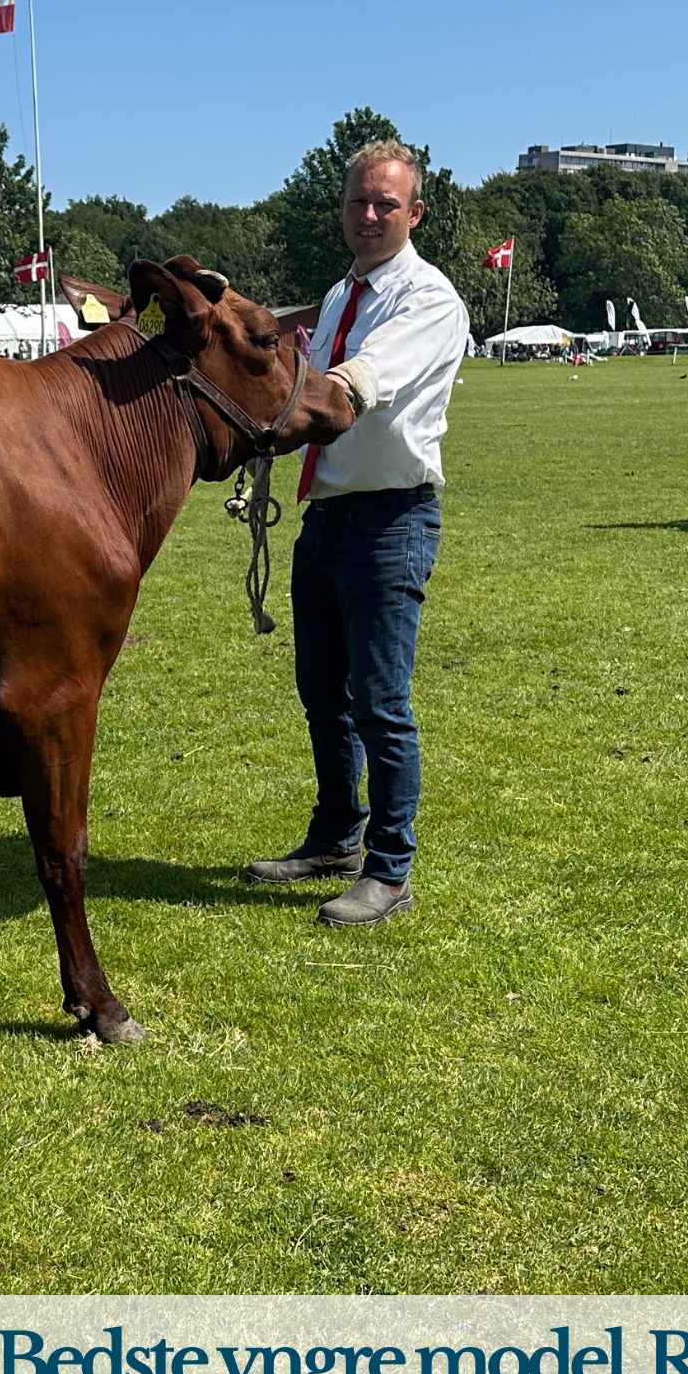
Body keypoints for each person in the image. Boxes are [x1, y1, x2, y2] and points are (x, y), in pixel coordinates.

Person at [245, 139, 469, 927]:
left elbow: (359, 384)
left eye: (385, 204)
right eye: (357, 203)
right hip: (329, 515)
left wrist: (283, 411)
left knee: (380, 701)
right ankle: (337, 836)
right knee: (322, 695)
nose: (369, 216)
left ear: (415, 212)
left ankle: (390, 868)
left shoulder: (429, 299)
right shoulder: (345, 292)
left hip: (391, 517)